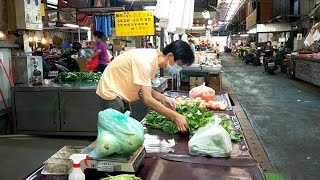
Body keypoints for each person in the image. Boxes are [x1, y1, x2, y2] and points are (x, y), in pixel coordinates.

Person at [96, 40, 194, 132]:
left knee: (123, 131)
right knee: (115, 135)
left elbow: (143, 87)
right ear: (170, 56)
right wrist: (175, 116)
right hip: (111, 94)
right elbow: (147, 100)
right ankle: (93, 150)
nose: (179, 68)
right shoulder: (146, 62)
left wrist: (162, 98)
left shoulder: (153, 60)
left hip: (121, 95)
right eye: (179, 64)